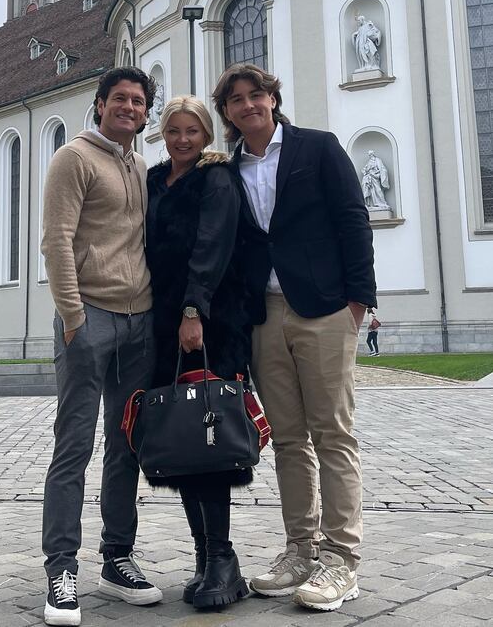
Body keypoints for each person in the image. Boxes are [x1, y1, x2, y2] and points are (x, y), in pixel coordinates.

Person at [213, 63, 376, 613]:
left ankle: (341, 558)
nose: (247, 105)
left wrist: (359, 301)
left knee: (332, 432)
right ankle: (300, 550)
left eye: (254, 95)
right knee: (287, 439)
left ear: (272, 99)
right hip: (265, 313)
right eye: (235, 100)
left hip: (324, 306)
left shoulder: (317, 148)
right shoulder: (230, 169)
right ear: (228, 113)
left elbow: (354, 219)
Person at [40, 67, 163, 626]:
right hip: (89, 318)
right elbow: (57, 240)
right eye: (120, 99)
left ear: (145, 112)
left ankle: (117, 560)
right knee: (74, 448)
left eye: (138, 101)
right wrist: (72, 318)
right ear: (99, 104)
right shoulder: (75, 159)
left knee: (126, 446)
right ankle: (61, 570)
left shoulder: (138, 165)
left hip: (139, 321)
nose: (129, 107)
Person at [144, 96, 251, 610]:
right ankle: (205, 557)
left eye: (192, 130)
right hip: (166, 322)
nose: (182, 139)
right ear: (162, 134)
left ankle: (224, 559)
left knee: (208, 434)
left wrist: (193, 310)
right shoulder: (155, 178)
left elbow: (213, 245)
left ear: (206, 134)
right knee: (186, 440)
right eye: (173, 130)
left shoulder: (217, 179)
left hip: (206, 321)